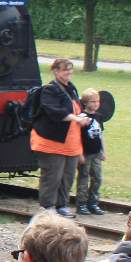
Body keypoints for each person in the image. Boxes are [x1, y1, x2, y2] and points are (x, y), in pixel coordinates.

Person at [29, 57, 88, 218]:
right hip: (51, 142)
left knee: (67, 176)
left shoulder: (71, 88)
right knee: (52, 176)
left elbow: (76, 108)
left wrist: (82, 117)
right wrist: (75, 118)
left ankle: (62, 205)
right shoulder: (50, 90)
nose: (68, 72)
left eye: (70, 69)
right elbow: (53, 110)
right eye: (65, 69)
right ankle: (47, 207)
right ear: (56, 71)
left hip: (71, 143)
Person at [74, 89, 106, 216]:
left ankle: (93, 203)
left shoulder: (99, 117)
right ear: (85, 103)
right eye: (93, 101)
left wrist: (103, 151)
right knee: (83, 177)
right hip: (85, 153)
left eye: (98, 101)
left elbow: (101, 135)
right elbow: (77, 137)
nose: (96, 104)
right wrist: (79, 153)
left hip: (96, 153)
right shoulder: (82, 118)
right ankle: (81, 204)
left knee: (97, 177)